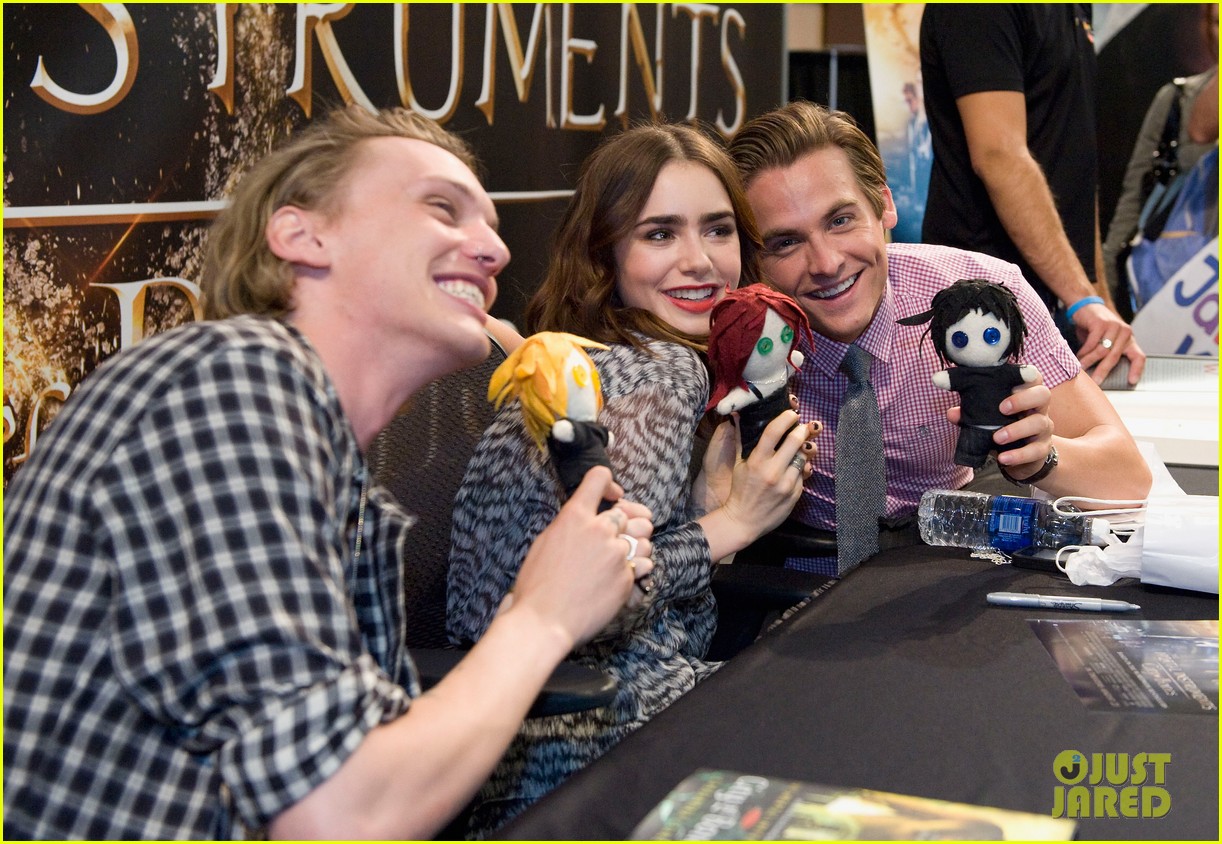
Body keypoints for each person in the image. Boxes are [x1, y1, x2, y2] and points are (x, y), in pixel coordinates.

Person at [2, 106, 658, 840]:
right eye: (442, 209)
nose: (494, 250)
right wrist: (543, 616)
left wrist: (545, 598)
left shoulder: (320, 453)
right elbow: (339, 812)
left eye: (492, 226)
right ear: (301, 235)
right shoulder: (229, 381)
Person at [446, 122, 816, 835]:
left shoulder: (624, 359)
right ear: (604, 254)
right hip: (586, 750)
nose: (699, 261)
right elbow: (596, 600)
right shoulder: (659, 372)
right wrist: (732, 524)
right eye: (659, 234)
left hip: (568, 730)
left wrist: (707, 504)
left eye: (717, 230)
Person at [727, 100, 1152, 575]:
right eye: (786, 243)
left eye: (840, 220)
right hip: (790, 590)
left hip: (949, 577)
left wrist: (1042, 458)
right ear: (752, 258)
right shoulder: (737, 334)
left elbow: (1130, 482)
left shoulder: (983, 299)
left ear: (884, 205)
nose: (826, 263)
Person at [919, 3, 1145, 386]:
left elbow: (1072, 173)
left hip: (1057, 303)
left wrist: (1097, 301)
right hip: (981, 309)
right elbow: (998, 155)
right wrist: (1083, 298)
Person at [1103, 4, 1218, 310]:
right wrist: (1106, 294)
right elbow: (1133, 201)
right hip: (1176, 293)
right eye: (1218, 23)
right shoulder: (1177, 99)